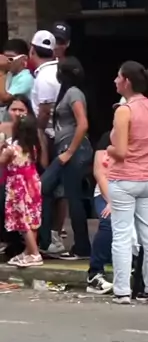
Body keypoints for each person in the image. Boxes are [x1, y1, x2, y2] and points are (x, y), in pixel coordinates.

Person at [107, 61, 148, 305]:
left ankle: (122, 290)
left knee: (122, 234)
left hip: (125, 177)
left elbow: (120, 151)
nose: (115, 81)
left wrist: (108, 149)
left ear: (127, 82)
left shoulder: (124, 110)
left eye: (118, 77)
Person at [39, 57, 93, 260]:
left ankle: (81, 247)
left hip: (73, 150)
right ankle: (47, 241)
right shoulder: (67, 92)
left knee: (72, 196)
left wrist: (69, 152)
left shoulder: (73, 93)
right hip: (66, 149)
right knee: (49, 189)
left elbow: (83, 123)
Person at [0, 113, 42, 267]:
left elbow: (1, 162)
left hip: (19, 187)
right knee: (32, 219)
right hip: (33, 184)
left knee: (23, 221)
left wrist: (1, 147)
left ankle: (35, 254)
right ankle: (28, 251)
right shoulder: (33, 148)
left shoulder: (12, 149)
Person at [86, 132, 114, 295]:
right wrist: (111, 200)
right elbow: (99, 172)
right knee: (108, 220)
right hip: (107, 191)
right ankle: (95, 274)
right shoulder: (108, 138)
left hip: (134, 192)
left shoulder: (146, 136)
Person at [0, 39, 34, 121]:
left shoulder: (26, 78)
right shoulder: (9, 74)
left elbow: (4, 99)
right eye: (5, 58)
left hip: (19, 123)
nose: (7, 62)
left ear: (23, 59)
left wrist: (2, 71)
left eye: (10, 58)